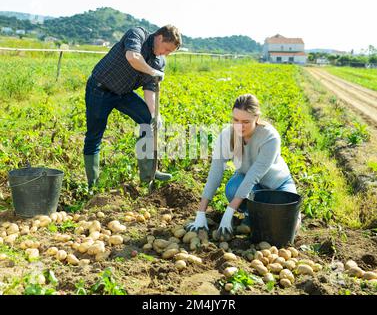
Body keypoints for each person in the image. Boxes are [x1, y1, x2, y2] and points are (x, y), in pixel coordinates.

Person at [83, 25, 182, 189]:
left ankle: (148, 174)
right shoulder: (138, 34)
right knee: (94, 135)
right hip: (99, 89)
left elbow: (150, 89)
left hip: (123, 93)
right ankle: (93, 184)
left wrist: (154, 115)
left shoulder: (159, 61)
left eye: (169, 52)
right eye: (166, 49)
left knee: (147, 122)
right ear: (159, 37)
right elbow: (133, 57)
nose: (166, 54)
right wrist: (151, 71)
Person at [187, 93, 300, 236]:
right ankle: (251, 215)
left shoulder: (270, 137)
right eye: (236, 120)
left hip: (277, 184)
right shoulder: (227, 135)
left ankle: (257, 217)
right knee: (233, 188)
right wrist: (201, 212)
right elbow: (215, 173)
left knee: (288, 226)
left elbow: (254, 175)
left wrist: (229, 212)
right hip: (249, 183)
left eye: (245, 122)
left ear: (256, 118)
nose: (239, 126)